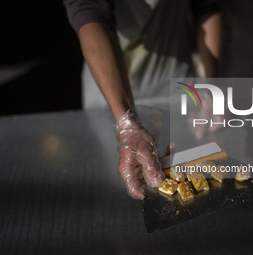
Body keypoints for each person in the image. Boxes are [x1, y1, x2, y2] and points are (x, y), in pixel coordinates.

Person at [62, 0, 221, 199]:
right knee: (119, 189)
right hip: (109, 89)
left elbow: (206, 7)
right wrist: (125, 124)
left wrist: (212, 87)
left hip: (175, 85)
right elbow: (89, 11)